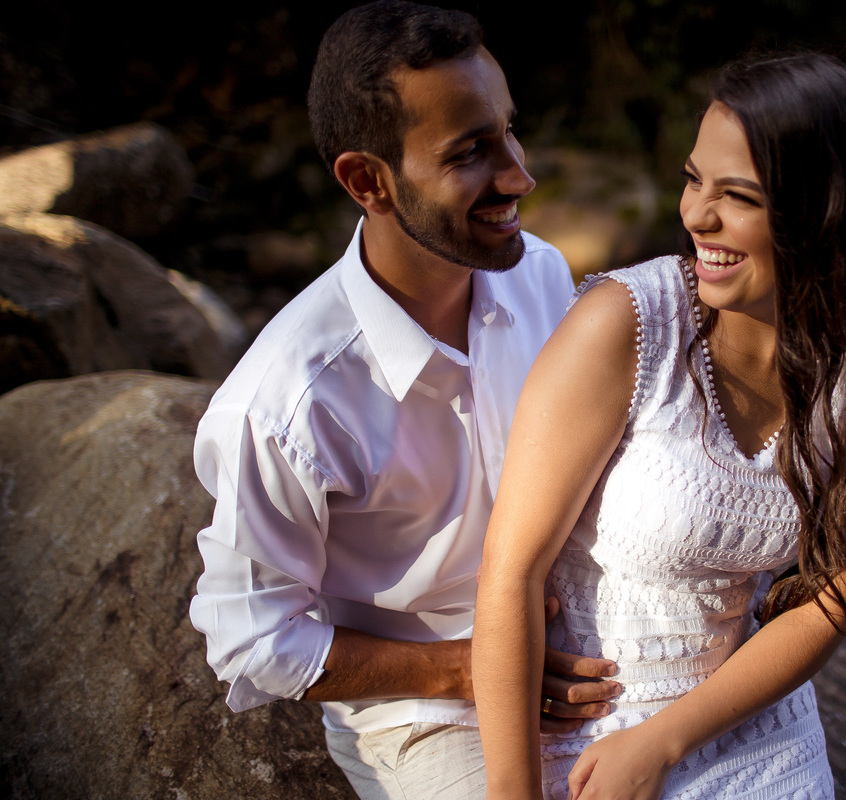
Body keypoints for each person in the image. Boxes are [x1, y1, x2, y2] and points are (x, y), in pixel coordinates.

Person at [473, 51, 846, 800]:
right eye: (694, 180)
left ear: (825, 210)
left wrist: (665, 740)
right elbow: (511, 572)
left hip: (744, 718)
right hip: (582, 725)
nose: (696, 215)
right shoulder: (625, 326)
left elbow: (837, 591)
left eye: (739, 196)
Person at [188, 3, 619, 798]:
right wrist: (471, 665)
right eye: (472, 153)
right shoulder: (286, 405)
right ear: (367, 181)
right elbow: (249, 639)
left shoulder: (542, 276)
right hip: (426, 713)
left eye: (510, 132)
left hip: (594, 640)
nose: (521, 176)